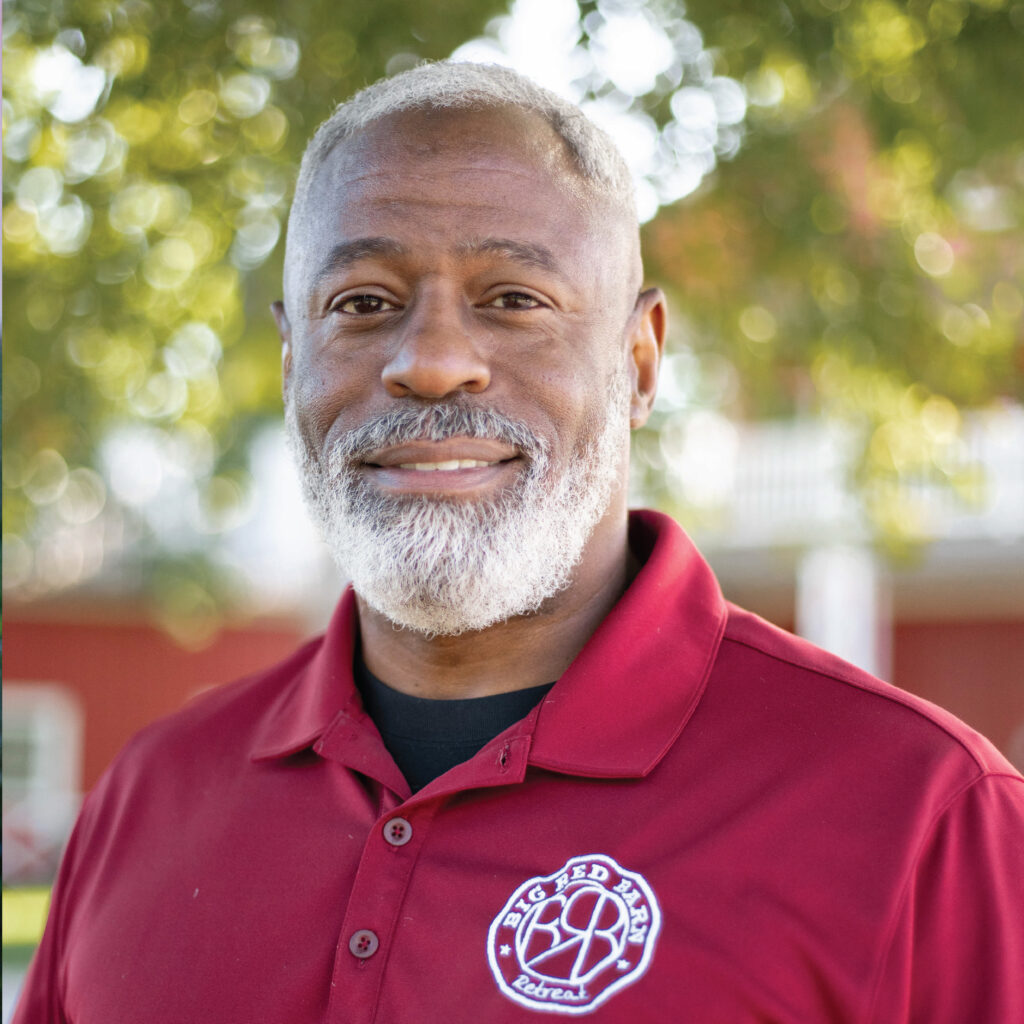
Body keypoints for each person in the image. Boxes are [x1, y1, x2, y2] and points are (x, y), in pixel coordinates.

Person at [15, 61, 1024, 1024]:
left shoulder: (925, 819)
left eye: (513, 301)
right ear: (289, 361)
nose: (434, 363)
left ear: (638, 361)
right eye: (363, 302)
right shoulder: (149, 798)